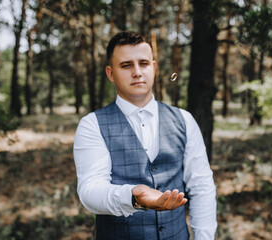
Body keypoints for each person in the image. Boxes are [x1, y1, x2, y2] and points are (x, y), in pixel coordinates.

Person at [73, 31, 217, 240]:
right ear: (110, 73)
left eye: (144, 63)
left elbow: (202, 185)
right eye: (126, 65)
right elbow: (90, 190)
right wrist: (133, 197)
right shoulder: (92, 125)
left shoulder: (184, 120)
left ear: (154, 68)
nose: (137, 72)